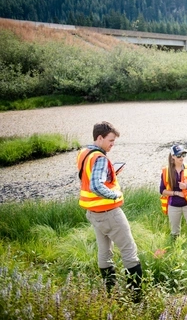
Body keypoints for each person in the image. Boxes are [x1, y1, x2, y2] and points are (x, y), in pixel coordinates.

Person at [76, 121, 142, 302]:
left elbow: (89, 178)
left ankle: (110, 293)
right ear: (99, 138)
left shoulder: (84, 154)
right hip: (109, 212)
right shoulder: (100, 158)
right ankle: (135, 298)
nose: (112, 144)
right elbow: (96, 185)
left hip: (94, 213)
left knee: (104, 252)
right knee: (129, 252)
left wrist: (110, 175)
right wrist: (114, 194)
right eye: (111, 140)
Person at [160, 144, 187, 243]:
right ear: (173, 156)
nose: (181, 158)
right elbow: (162, 190)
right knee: (174, 232)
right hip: (173, 206)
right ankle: (175, 252)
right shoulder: (166, 171)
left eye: (183, 155)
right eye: (178, 155)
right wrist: (177, 193)